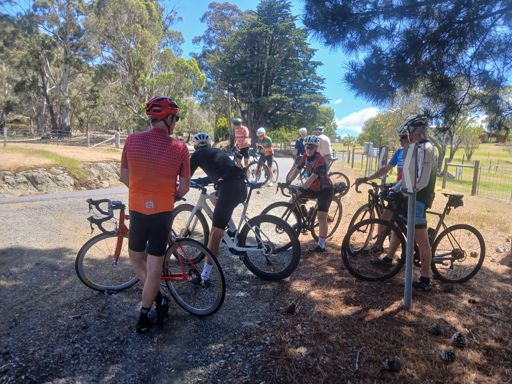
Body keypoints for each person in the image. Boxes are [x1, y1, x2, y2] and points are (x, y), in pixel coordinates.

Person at [120, 96, 190, 333]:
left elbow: (124, 176)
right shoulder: (180, 148)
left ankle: (157, 300)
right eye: (176, 118)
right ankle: (145, 314)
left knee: (136, 258)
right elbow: (184, 188)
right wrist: (169, 195)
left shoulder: (131, 140)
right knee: (154, 268)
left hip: (138, 209)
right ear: (168, 118)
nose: (177, 122)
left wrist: (142, 191)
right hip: (163, 212)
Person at [371, 115, 437, 292]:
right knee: (398, 227)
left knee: (421, 239)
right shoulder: (415, 148)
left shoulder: (427, 148)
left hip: (419, 199)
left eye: (408, 131)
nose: (406, 135)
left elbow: (420, 181)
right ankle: (388, 258)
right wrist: (395, 189)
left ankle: (425, 279)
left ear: (415, 131)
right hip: (410, 195)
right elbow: (408, 177)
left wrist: (402, 191)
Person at [190, 132, 247, 280]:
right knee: (215, 198)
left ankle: (205, 276)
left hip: (229, 190)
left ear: (195, 146)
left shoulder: (197, 155)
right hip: (239, 186)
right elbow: (216, 173)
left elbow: (186, 175)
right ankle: (233, 231)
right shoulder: (217, 152)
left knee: (215, 234)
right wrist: (202, 181)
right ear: (209, 144)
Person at [286, 134, 334, 252]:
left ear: (316, 148)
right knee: (293, 200)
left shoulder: (320, 160)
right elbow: (297, 169)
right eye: (307, 147)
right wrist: (287, 182)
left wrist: (301, 188)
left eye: (311, 148)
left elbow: (312, 177)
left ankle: (321, 245)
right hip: (314, 187)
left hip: (325, 190)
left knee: (321, 217)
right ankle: (305, 217)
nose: (308, 150)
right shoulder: (305, 157)